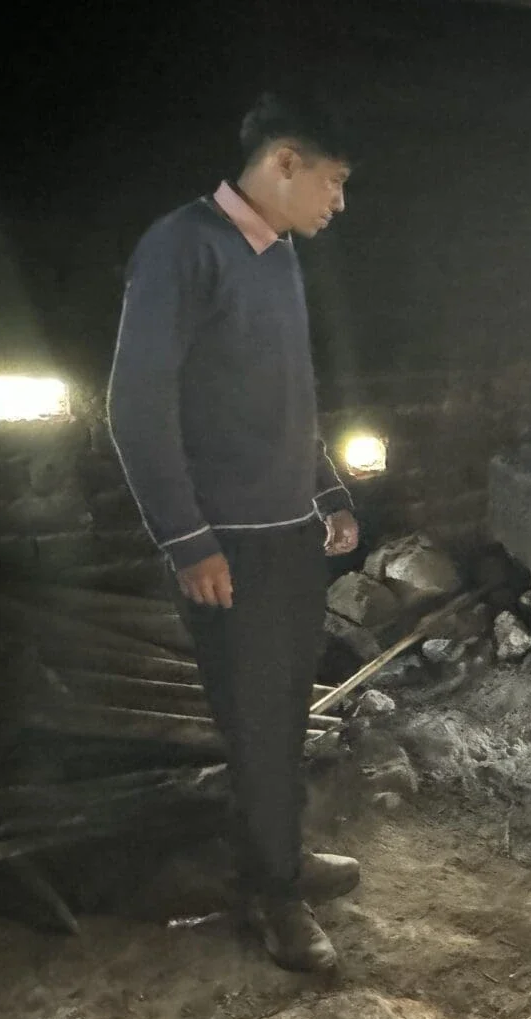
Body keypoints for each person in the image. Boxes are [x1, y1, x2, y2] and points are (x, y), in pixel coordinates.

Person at [108, 91, 362, 973]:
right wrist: (187, 540)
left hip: (290, 532)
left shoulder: (276, 253)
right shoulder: (181, 250)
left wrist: (325, 487)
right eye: (333, 180)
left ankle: (281, 859)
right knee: (255, 725)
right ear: (285, 161)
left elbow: (291, 394)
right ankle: (271, 898)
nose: (338, 201)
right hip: (233, 547)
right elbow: (136, 409)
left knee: (285, 714)